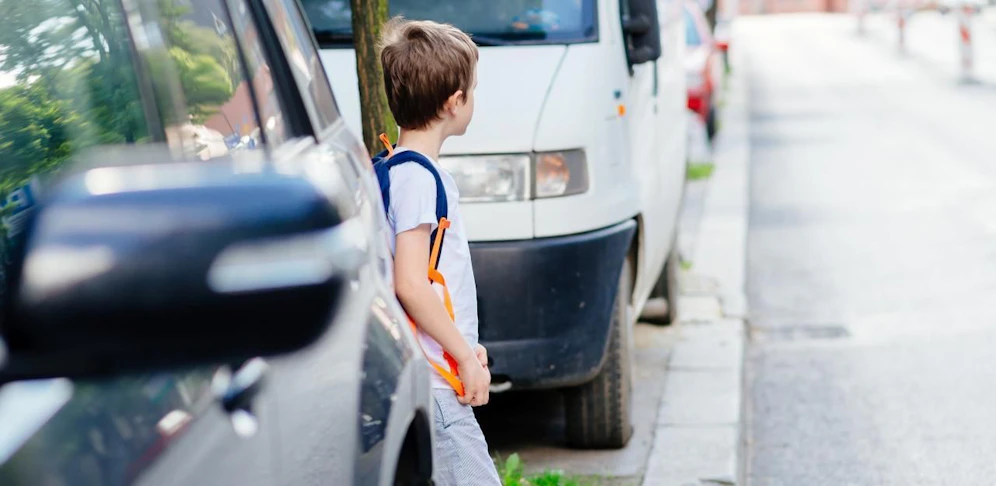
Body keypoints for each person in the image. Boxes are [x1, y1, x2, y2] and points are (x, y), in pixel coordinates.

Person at [378, 17, 502, 485]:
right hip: (436, 385)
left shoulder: (401, 169)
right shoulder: (416, 180)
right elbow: (410, 283)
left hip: (435, 372)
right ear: (455, 102)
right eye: (473, 88)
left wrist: (465, 346)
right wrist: (463, 359)